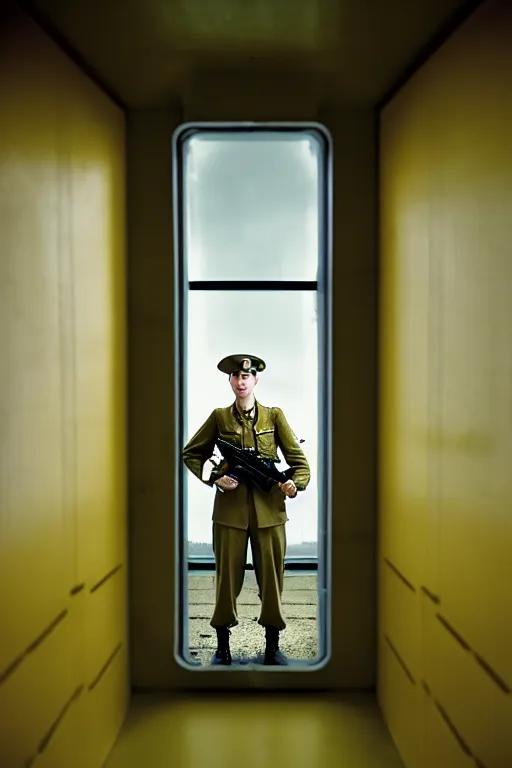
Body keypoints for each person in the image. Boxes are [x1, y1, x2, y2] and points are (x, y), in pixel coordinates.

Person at [182, 354, 310, 666]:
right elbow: (191, 454)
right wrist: (215, 478)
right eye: (235, 377)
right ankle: (222, 648)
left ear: (256, 380)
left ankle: (272, 648)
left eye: (246, 377)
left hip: (270, 514)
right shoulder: (218, 418)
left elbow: (299, 464)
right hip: (230, 514)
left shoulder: (274, 417)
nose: (241, 382)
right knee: (225, 580)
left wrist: (295, 485)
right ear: (230, 381)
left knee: (272, 580)